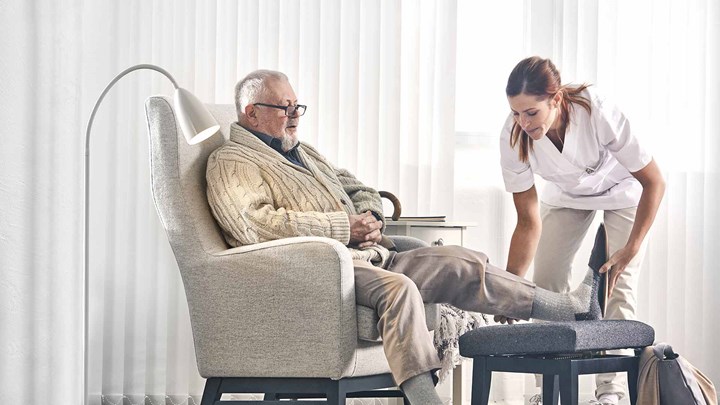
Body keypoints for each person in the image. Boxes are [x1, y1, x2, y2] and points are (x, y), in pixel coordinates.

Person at [206, 69, 607, 405]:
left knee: (458, 262)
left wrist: (370, 217)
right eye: (284, 108)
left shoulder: (301, 150)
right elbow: (254, 225)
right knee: (398, 290)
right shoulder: (232, 161)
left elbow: (357, 187)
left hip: (369, 255)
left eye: (297, 106)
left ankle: (571, 308)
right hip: (317, 268)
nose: (295, 115)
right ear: (252, 113)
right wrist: (345, 227)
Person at [498, 56, 666, 405]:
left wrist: (632, 248)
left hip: (623, 191)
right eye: (516, 112)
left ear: (555, 99)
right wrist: (511, 288)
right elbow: (527, 221)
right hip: (567, 196)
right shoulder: (514, 137)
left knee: (617, 287)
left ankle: (611, 393)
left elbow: (654, 182)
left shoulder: (596, 111)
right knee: (545, 284)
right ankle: (549, 390)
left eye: (531, 113)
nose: (522, 122)